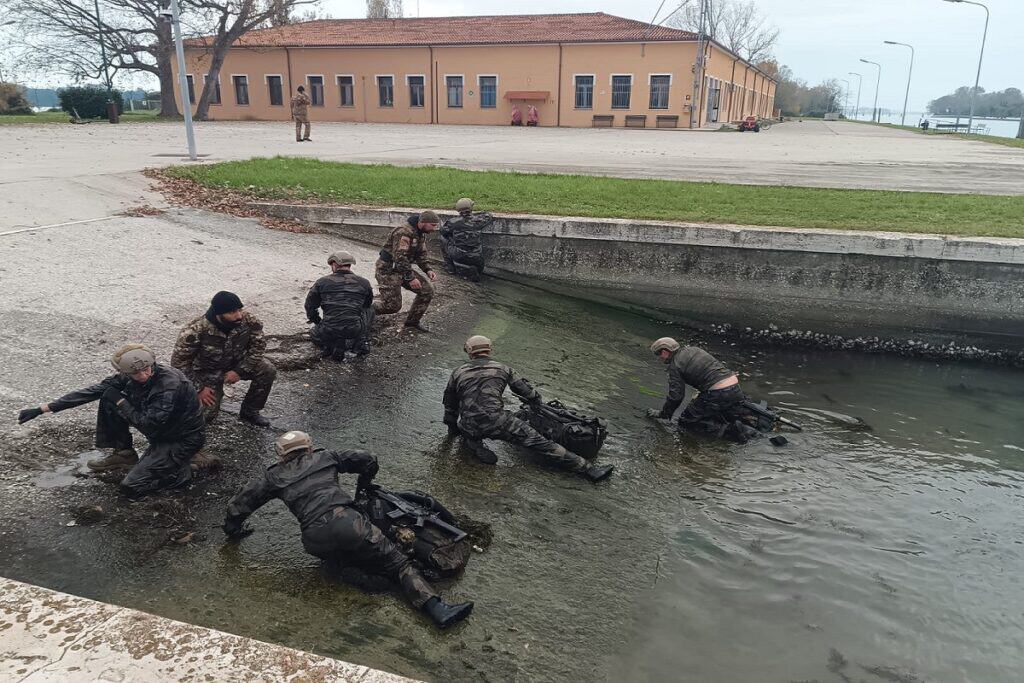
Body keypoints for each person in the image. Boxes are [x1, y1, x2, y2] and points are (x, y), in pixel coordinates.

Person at [222, 430, 473, 629]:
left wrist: (233, 531)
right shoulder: (325, 457)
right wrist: (363, 486)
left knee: (341, 554)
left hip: (312, 538)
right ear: (309, 447)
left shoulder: (272, 477)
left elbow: (240, 504)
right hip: (348, 523)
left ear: (281, 456)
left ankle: (343, 569)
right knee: (398, 563)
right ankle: (438, 610)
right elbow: (367, 459)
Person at [16, 345, 205, 498]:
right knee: (108, 397)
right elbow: (93, 391)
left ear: (152, 363)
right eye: (136, 373)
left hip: (180, 438)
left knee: (131, 487)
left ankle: (182, 472)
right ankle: (124, 453)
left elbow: (149, 424)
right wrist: (44, 409)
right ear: (126, 371)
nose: (143, 375)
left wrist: (122, 402)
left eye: (146, 369)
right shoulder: (128, 374)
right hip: (161, 430)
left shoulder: (168, 385)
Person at [443, 335, 614, 482]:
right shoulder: (503, 369)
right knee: (542, 443)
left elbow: (450, 405)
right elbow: (528, 393)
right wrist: (537, 403)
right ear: (489, 350)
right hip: (500, 423)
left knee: (471, 429)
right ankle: (588, 469)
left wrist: (453, 430)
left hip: (469, 425)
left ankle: (473, 443)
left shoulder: (457, 372)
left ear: (469, 351)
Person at [171, 291, 276, 428]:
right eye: (232, 312)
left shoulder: (248, 321)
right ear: (218, 314)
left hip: (237, 364)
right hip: (207, 371)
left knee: (267, 369)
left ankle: (250, 411)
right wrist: (199, 389)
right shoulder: (194, 331)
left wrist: (239, 371)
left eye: (239, 310)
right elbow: (179, 364)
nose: (238, 315)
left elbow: (258, 348)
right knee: (203, 417)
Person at [647, 337, 747, 435]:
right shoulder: (694, 349)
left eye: (658, 354)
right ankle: (734, 426)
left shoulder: (675, 365)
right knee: (715, 413)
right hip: (735, 388)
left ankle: (730, 430)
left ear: (665, 352)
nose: (660, 358)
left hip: (717, 393)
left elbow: (676, 397)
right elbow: (707, 371)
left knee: (686, 421)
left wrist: (664, 414)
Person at [373, 210, 439, 333]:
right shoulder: (403, 232)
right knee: (392, 306)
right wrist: (410, 277)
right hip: (388, 270)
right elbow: (400, 257)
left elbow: (421, 254)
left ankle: (412, 322)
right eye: (433, 225)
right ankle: (366, 310)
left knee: (427, 291)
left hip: (403, 269)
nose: (435, 228)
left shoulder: (420, 233)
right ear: (422, 223)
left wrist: (427, 269)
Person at [305, 251, 375, 361]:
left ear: (334, 264)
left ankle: (332, 344)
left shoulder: (321, 282)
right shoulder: (364, 283)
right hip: (353, 331)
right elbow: (367, 305)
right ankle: (362, 340)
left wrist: (318, 322)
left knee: (314, 333)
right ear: (349, 265)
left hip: (328, 330)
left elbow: (310, 307)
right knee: (370, 309)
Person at [439, 197, 490, 281]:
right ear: (471, 208)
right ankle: (475, 270)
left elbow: (442, 232)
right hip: (477, 257)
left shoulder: (453, 222)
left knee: (443, 239)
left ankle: (450, 267)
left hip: (459, 255)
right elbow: (488, 214)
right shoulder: (479, 220)